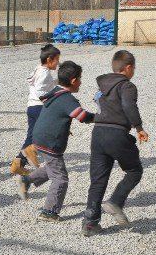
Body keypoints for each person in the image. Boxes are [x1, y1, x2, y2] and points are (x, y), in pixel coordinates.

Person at [15, 61, 95, 222]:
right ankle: (49, 211)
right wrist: (102, 118)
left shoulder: (55, 91)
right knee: (60, 178)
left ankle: (27, 179)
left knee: (53, 167)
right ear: (73, 81)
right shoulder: (68, 99)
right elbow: (82, 116)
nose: (81, 82)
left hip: (39, 137)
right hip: (50, 143)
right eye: (80, 79)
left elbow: (54, 113)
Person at [81, 50, 149, 237]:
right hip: (117, 133)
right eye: (133, 68)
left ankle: (90, 223)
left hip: (98, 133)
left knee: (98, 179)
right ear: (128, 68)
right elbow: (129, 106)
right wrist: (139, 127)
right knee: (134, 171)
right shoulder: (127, 86)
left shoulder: (103, 87)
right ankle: (116, 202)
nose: (134, 71)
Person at [10, 44, 61, 176]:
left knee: (31, 136)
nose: (58, 63)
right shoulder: (45, 73)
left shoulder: (38, 69)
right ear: (49, 60)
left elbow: (39, 83)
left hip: (31, 106)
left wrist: (56, 80)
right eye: (57, 60)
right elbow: (40, 90)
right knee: (46, 133)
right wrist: (48, 102)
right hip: (39, 107)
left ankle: (18, 164)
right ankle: (31, 152)